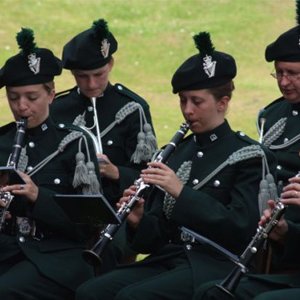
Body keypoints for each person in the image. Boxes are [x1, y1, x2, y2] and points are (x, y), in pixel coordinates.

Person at [75, 31, 276, 300]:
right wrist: (138, 219)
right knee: (91, 291)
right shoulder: (177, 152)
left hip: (216, 264)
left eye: (197, 101)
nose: (187, 110)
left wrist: (181, 192)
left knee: (133, 297)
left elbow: (242, 229)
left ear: (223, 103)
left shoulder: (250, 155)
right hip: (171, 258)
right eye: (183, 100)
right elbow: (155, 238)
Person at [193, 1, 300, 299]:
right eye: (278, 73)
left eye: (292, 73)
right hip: (275, 232)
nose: (283, 82)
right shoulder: (272, 115)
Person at [0, 28, 102, 299]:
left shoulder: (76, 143)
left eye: (31, 97)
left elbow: (89, 224)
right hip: (8, 248)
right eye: (13, 97)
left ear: (51, 94)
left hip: (57, 258)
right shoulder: (2, 140)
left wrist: (37, 197)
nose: (22, 107)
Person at [50, 18, 157, 267]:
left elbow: (149, 178)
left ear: (110, 64)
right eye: (81, 76)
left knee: (106, 253)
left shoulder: (133, 109)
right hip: (68, 208)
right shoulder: (58, 109)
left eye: (98, 74)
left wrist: (115, 171)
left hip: (117, 210)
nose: (91, 84)